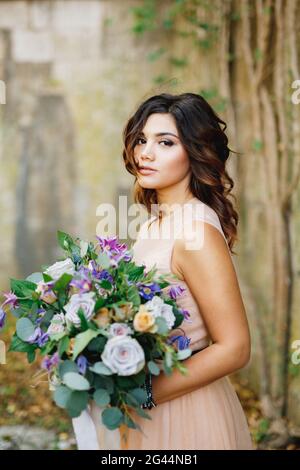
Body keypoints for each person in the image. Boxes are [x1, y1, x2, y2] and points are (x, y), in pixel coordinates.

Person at [72, 92, 253, 450]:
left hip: (185, 411)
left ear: (195, 151)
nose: (145, 153)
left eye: (165, 142)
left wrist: (143, 394)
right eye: (141, 140)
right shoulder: (156, 222)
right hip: (148, 411)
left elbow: (235, 347)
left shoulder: (195, 231)